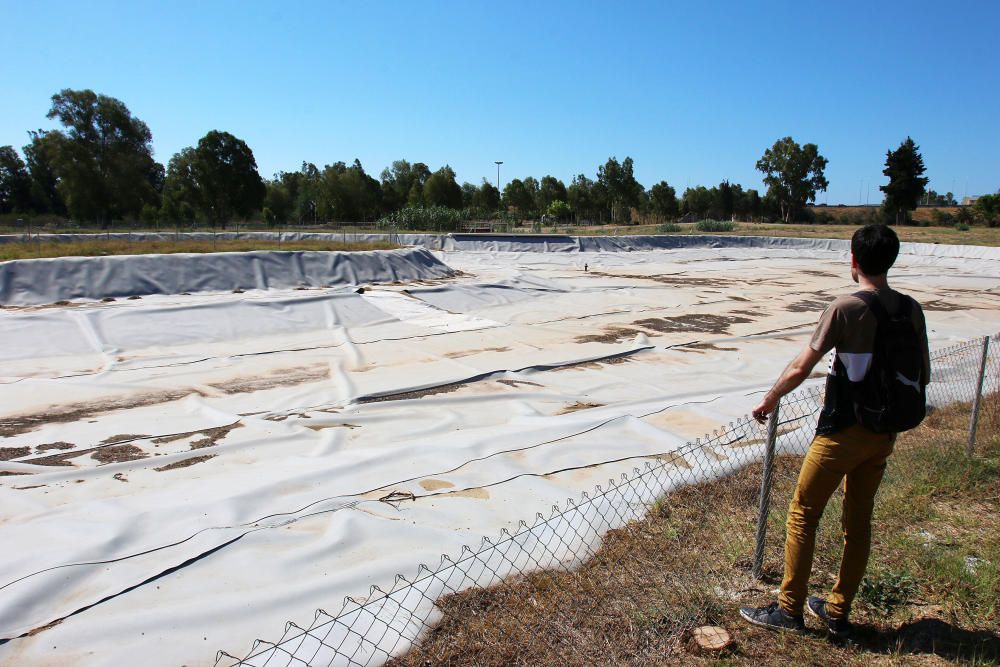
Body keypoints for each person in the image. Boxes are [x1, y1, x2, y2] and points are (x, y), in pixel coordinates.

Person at [739, 224, 930, 639]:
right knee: (858, 521)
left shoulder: (846, 308)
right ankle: (838, 608)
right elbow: (923, 373)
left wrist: (768, 399)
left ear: (854, 260)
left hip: (843, 429)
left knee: (803, 513)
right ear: (892, 259)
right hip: (884, 433)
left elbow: (801, 366)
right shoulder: (911, 309)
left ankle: (790, 610)